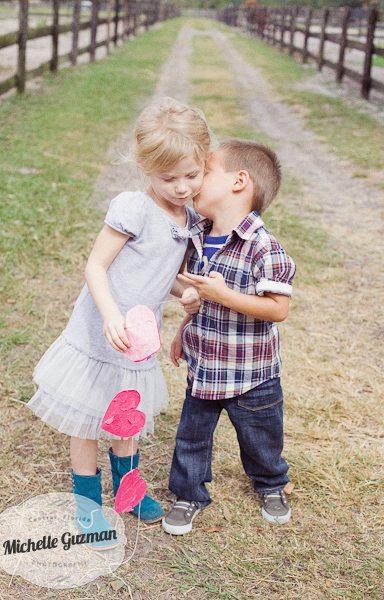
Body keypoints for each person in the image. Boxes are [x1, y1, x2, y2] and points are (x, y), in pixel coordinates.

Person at [27, 98, 210, 541]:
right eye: (169, 178)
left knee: (126, 416)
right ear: (146, 168)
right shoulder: (134, 208)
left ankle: (129, 492)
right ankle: (87, 501)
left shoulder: (189, 219)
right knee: (89, 418)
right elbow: (96, 265)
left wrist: (184, 292)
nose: (182, 187)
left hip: (137, 342)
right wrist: (111, 315)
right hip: (101, 332)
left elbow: (162, 273)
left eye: (192, 175)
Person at [162, 139, 296, 536]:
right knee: (191, 437)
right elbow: (199, 300)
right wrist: (183, 329)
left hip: (252, 372)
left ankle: (271, 483)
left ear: (239, 181)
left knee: (261, 437)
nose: (195, 181)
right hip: (206, 366)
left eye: (205, 171)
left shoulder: (263, 246)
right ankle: (188, 493)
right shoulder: (198, 236)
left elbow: (278, 309)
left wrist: (225, 295)